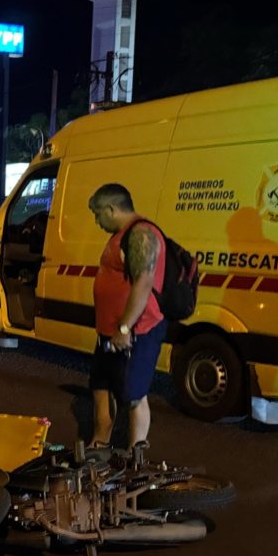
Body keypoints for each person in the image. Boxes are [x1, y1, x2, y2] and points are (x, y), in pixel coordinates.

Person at [87, 183, 168, 449]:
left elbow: (144, 283)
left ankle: (137, 456)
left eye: (98, 214)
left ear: (112, 208)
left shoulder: (141, 234)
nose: (97, 221)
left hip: (137, 332)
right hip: (110, 332)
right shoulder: (122, 235)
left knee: (133, 395)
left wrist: (124, 328)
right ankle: (100, 444)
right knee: (101, 383)